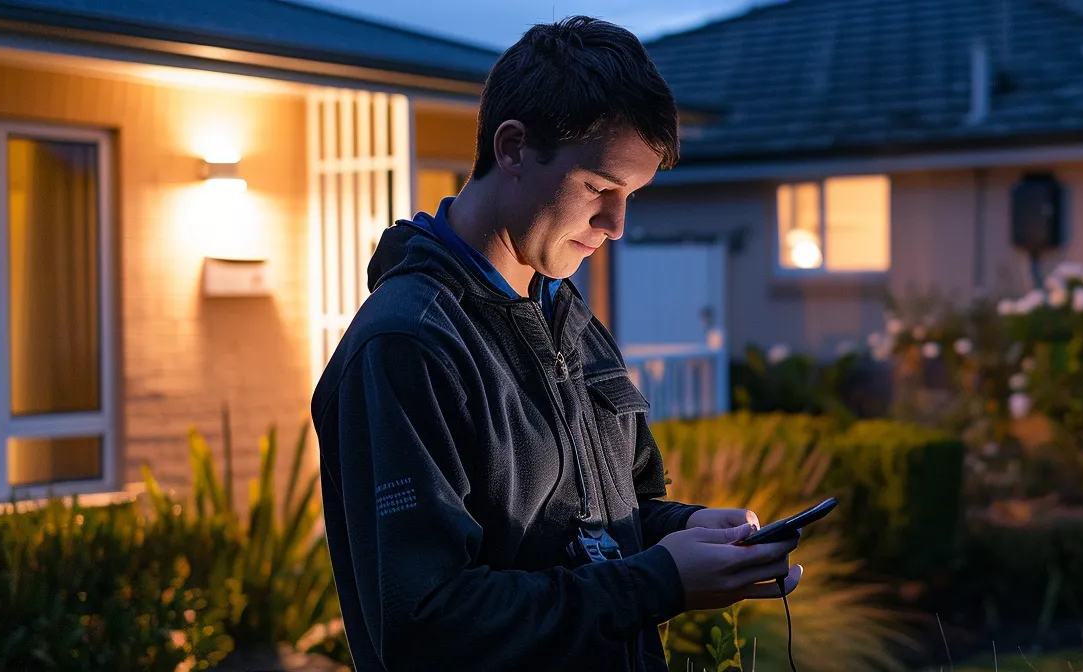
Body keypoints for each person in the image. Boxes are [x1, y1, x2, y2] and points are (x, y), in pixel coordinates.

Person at [310, 16, 802, 672]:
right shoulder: (407, 347)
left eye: (631, 195)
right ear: (512, 148)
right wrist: (660, 581)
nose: (617, 225)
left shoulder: (565, 314)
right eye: (599, 188)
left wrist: (682, 533)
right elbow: (426, 626)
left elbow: (590, 533)